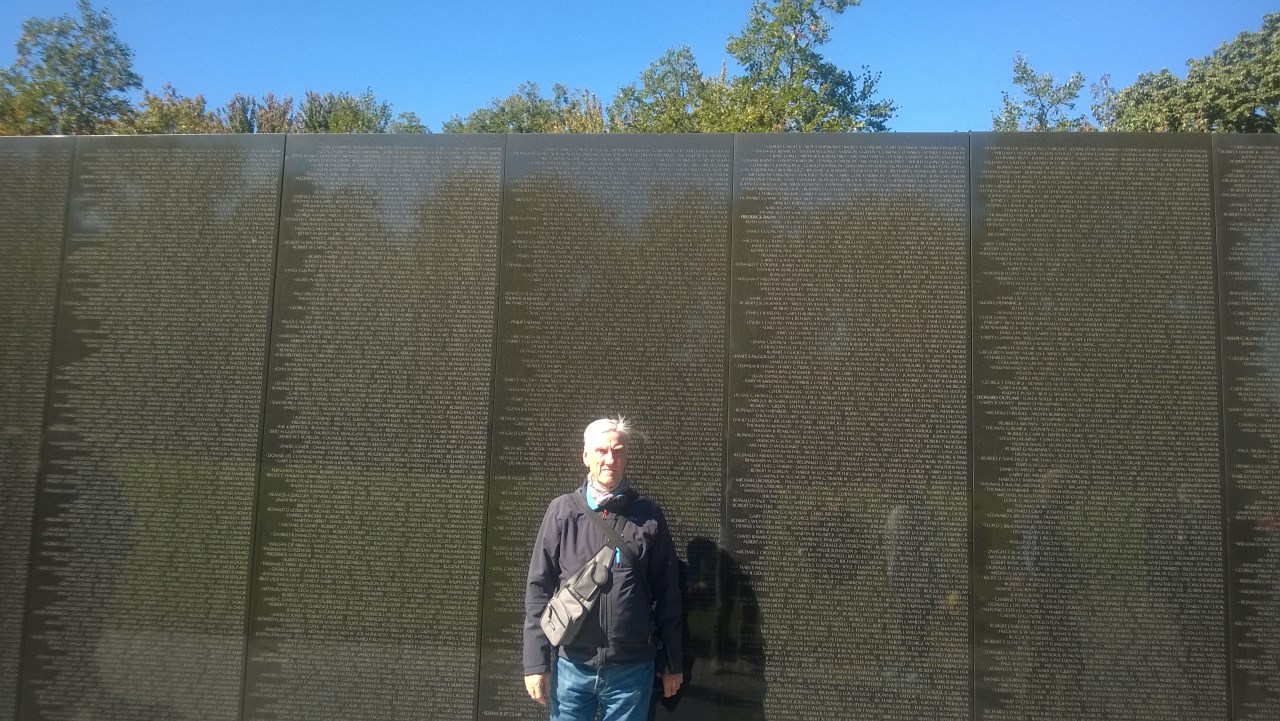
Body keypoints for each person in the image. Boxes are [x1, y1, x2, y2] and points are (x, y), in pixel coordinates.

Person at [524, 417, 684, 720]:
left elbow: (668, 593)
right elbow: (538, 589)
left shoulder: (649, 515)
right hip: (571, 667)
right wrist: (535, 663)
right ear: (585, 456)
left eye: (618, 451)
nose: (610, 459)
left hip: (631, 671)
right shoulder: (561, 511)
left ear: (626, 457)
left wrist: (671, 662)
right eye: (601, 451)